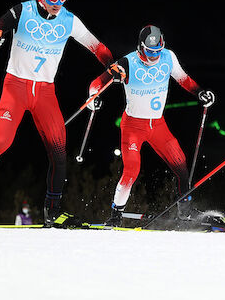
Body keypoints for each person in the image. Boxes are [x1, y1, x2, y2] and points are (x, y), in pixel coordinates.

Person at [0, 0, 114, 228]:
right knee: (1, 141)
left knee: (59, 153)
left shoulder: (69, 21)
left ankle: (53, 211)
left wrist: (111, 68)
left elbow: (99, 48)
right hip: (15, 87)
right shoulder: (23, 11)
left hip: (45, 93)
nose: (58, 2)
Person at [87, 25, 215, 226]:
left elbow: (183, 79)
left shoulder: (168, 57)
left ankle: (185, 212)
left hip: (157, 125)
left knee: (181, 165)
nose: (155, 55)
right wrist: (93, 97)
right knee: (131, 171)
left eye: (158, 50)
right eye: (150, 51)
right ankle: (115, 216)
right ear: (140, 47)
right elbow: (97, 83)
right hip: (132, 127)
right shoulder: (127, 63)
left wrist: (199, 92)